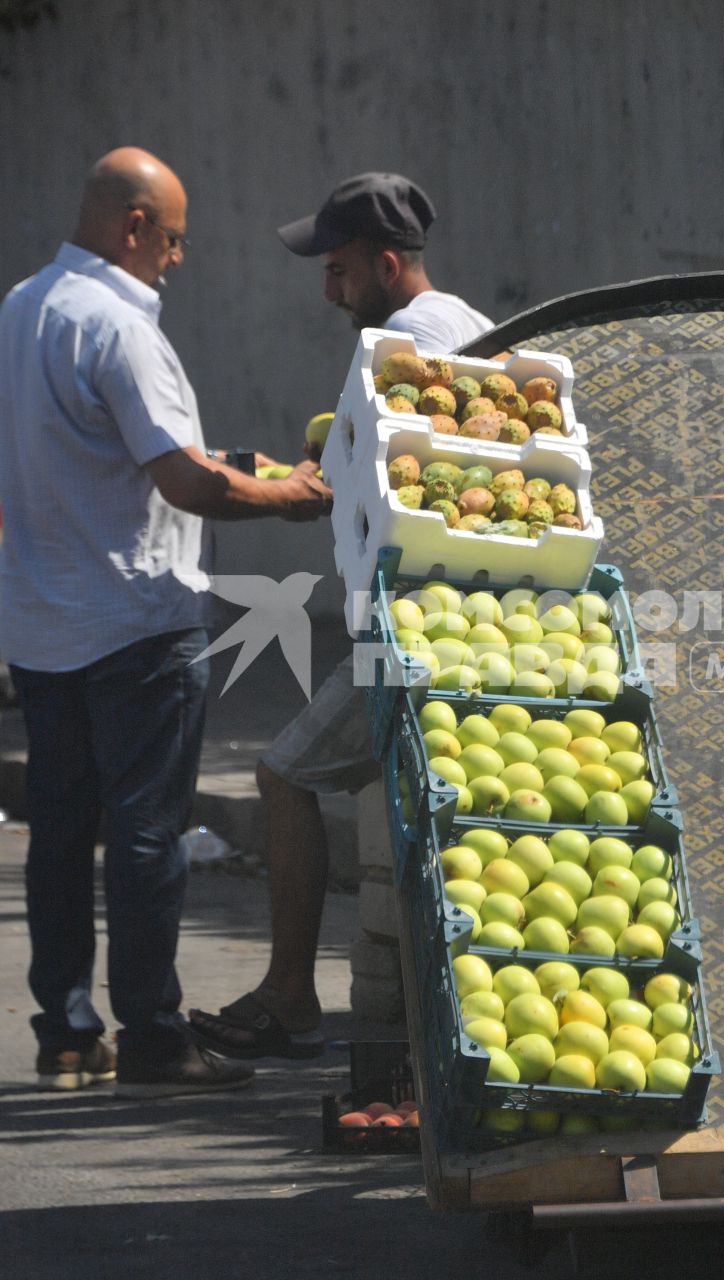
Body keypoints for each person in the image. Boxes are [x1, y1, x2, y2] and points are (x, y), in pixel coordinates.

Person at [0, 147, 331, 1099]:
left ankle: (64, 1029)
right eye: (173, 240)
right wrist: (286, 498)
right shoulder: (120, 326)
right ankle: (151, 1037)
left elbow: (112, 453)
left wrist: (242, 461)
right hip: (135, 623)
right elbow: (187, 482)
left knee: (59, 836)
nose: (178, 260)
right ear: (135, 226)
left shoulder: (25, 308)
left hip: (43, 623)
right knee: (146, 835)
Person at [186, 174, 492, 1059]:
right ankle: (407, 1021)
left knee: (284, 774)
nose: (329, 290)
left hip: (414, 626)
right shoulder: (465, 324)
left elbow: (390, 495)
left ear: (387, 264)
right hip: (475, 616)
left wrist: (293, 487)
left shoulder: (398, 346)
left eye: (341, 270)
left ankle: (289, 996)